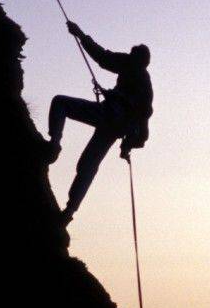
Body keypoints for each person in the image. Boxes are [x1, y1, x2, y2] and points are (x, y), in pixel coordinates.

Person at [45, 21, 153, 224]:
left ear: (137, 60)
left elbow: (102, 57)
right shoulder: (141, 78)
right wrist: (127, 145)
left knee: (61, 103)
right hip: (114, 127)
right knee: (87, 165)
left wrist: (80, 34)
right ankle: (69, 212)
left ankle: (54, 143)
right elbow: (143, 130)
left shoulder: (133, 69)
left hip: (107, 116)